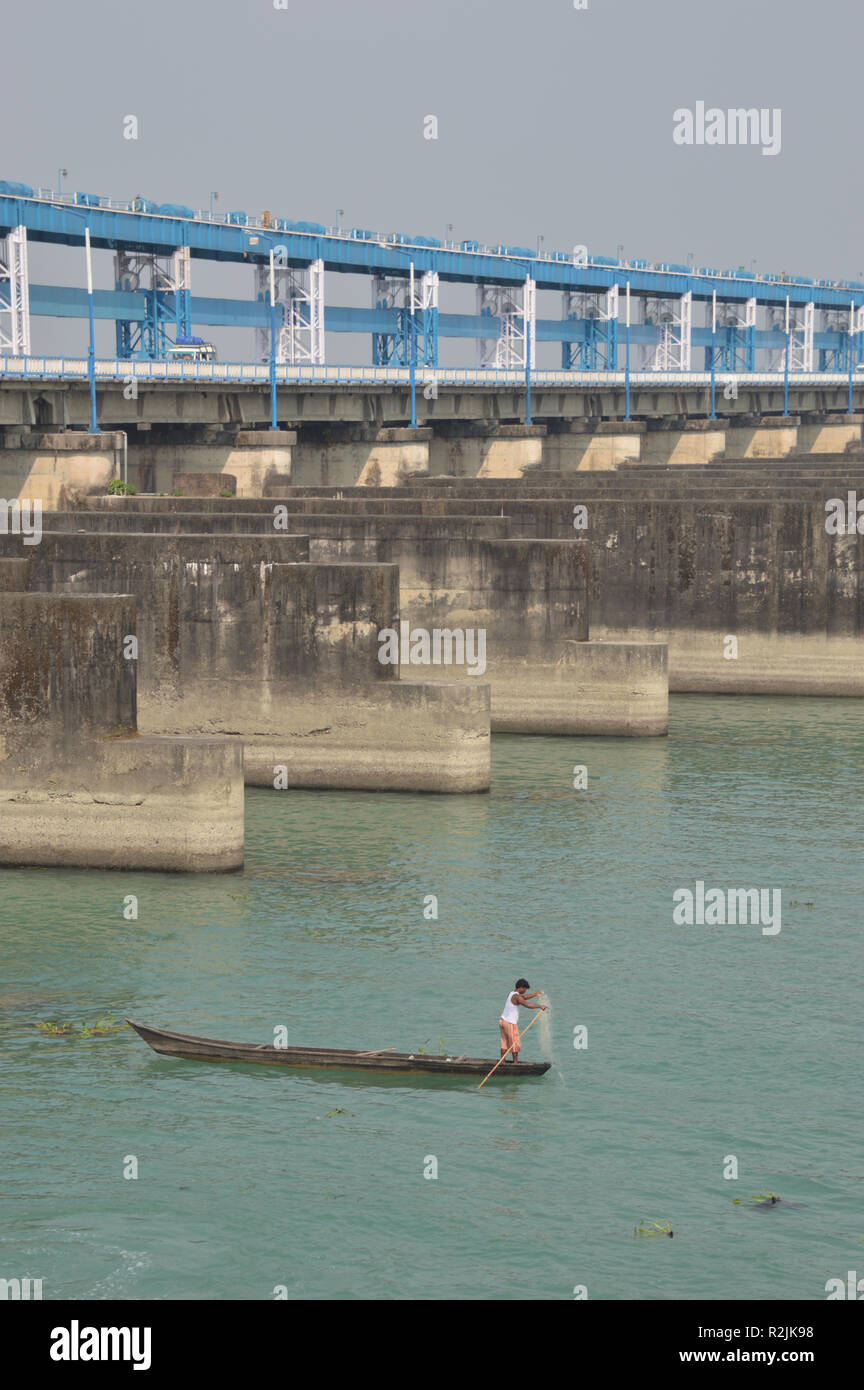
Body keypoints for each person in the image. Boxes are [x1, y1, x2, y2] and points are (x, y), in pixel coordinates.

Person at [499, 979, 546, 1063]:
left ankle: (502, 1062)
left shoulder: (511, 994)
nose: (525, 991)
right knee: (514, 1043)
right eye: (525, 989)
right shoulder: (517, 997)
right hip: (510, 1023)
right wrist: (540, 1006)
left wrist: (535, 994)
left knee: (504, 1043)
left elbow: (523, 998)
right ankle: (515, 1063)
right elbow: (527, 1004)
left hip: (502, 1021)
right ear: (521, 987)